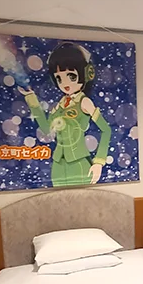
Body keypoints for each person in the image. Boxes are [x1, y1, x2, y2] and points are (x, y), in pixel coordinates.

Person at [18, 43, 111, 187]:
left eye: (71, 76)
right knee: (58, 201)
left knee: (82, 200)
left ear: (86, 73)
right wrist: (32, 100)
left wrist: (99, 162)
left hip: (78, 162)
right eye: (59, 78)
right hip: (58, 164)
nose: (65, 83)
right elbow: (46, 129)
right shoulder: (59, 106)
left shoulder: (84, 102)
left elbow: (106, 130)